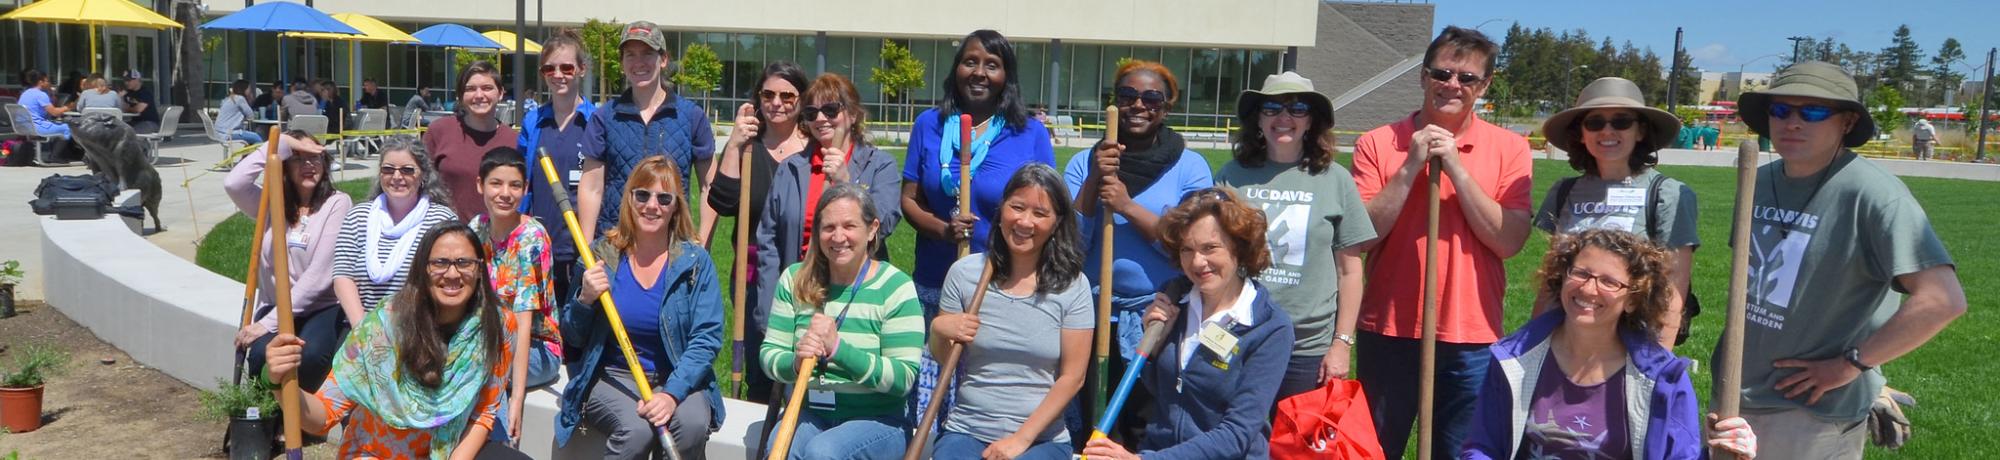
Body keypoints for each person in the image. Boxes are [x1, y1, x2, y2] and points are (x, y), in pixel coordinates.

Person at [1727, 61, 1965, 458]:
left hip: (1812, 412)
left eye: (1813, 111)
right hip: (1737, 391)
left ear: (1847, 121)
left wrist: (1853, 365)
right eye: (1780, 110)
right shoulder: (1760, 179)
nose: (1793, 122)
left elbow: (1943, 299)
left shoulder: (1875, 195)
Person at [1348, 26, 1534, 458]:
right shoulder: (1376, 143)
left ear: (1484, 86)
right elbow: (1363, 236)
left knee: (1461, 451)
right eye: (1442, 73)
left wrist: (1455, 167)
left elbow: (1508, 240)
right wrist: (1411, 165)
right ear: (1423, 76)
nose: (1452, 85)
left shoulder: (1510, 148)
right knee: (1376, 448)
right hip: (1388, 328)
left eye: (1467, 78)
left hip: (1470, 333)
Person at [1461, 229, 1759, 459]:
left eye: (1609, 282)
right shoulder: (1515, 362)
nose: (1589, 289)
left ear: (1632, 300)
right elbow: (1483, 445)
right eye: (1580, 273)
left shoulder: (1662, 381)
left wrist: (1727, 451)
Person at [263, 224, 529, 459]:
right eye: (440, 263)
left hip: (448, 450)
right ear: (422, 270)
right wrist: (277, 381)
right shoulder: (384, 327)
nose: (452, 273)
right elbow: (321, 417)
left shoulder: (497, 324)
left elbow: (484, 412)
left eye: (463, 262)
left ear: (479, 269)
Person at [1081, 187, 1295, 460]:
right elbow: (1165, 393)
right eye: (1187, 249)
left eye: (1210, 248)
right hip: (1159, 449)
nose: (1197, 262)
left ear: (1239, 247)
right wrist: (1154, 346)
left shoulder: (1270, 327)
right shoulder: (1174, 301)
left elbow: (1238, 433)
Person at [1062, 60, 1212, 437]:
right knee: (1091, 418)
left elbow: (1190, 247)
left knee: (1144, 422)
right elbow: (1069, 247)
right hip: (1092, 314)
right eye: (1127, 96)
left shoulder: (1190, 167)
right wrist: (1095, 180)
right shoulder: (1085, 163)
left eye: (1151, 99)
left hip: (1159, 316)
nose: (1138, 105)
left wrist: (1128, 206)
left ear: (1167, 108)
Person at [1215, 71, 1376, 400]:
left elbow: (1350, 271)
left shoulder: (1335, 179)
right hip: (1240, 335)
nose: (1284, 118)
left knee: (1294, 446)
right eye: (1272, 108)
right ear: (1258, 119)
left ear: (1311, 121)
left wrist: (1341, 344)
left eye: (1297, 108)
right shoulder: (1231, 176)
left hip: (1306, 346)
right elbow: (1214, 255)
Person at [555, 157, 723, 459]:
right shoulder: (600, 256)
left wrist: (672, 394)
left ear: (675, 206)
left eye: (664, 198)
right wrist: (585, 300)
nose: (651, 205)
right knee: (637, 431)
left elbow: (707, 338)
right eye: (642, 195)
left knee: (693, 424)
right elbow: (572, 336)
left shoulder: (695, 262)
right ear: (629, 198)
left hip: (675, 372)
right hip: (612, 374)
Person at [751, 71, 904, 397]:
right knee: (794, 393)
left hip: (855, 295)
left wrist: (846, 182)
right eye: (811, 113)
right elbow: (768, 241)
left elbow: (886, 223)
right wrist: (768, 309)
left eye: (830, 110)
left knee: (844, 383)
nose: (820, 119)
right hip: (803, 293)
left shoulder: (880, 166)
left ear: (852, 114)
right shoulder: (793, 168)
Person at [927, 164, 1092, 460]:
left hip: (1041, 439)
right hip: (967, 429)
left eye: (1040, 214)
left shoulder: (1072, 286)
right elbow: (946, 359)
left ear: (1057, 223)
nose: (1024, 222)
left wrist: (1019, 441)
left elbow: (1073, 377)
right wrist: (938, 330)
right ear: (1002, 209)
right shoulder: (965, 274)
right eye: (1016, 207)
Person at [761, 184, 924, 460]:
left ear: (872, 229)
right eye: (828, 228)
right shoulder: (795, 280)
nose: (838, 237)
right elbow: (768, 355)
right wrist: (796, 362)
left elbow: (902, 378)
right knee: (782, 447)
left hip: (880, 419)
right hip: (813, 411)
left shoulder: (896, 287)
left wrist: (838, 349)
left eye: (849, 226)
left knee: (822, 453)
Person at [1535, 77, 1699, 350]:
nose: (1607, 131)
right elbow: (1551, 284)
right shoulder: (1564, 191)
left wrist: (1657, 365)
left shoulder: (1668, 194)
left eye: (1621, 121)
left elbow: (1673, 292)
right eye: (1595, 122)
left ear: (1641, 131)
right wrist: (1535, 345)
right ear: (1581, 133)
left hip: (1632, 344)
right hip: (1567, 342)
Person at [901, 29, 1056, 312]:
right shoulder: (928, 124)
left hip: (1005, 284)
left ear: (1007, 76)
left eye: (992, 65)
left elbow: (1049, 209)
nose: (979, 72)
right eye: (970, 62)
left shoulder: (1029, 132)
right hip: (936, 281)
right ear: (956, 68)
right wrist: (944, 230)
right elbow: (910, 200)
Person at [705, 61, 821, 403]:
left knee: (805, 358)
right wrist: (734, 144)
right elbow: (723, 201)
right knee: (762, 363)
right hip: (754, 272)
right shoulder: (749, 147)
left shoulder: (814, 147)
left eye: (788, 95)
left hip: (807, 270)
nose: (777, 102)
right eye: (768, 94)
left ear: (801, 100)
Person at [225, 132, 355, 392]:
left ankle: (299, 426)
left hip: (321, 307)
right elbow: (234, 183)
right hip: (275, 305)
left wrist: (266, 324)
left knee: (308, 357)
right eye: (298, 159)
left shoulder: (337, 203)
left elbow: (319, 276)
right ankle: (268, 419)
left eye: (315, 159)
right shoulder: (273, 203)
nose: (309, 166)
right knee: (262, 355)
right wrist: (284, 142)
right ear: (284, 165)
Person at [577, 21, 716, 247]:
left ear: (663, 59)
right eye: (630, 55)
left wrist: (703, 242)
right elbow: (592, 186)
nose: (639, 62)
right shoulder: (604, 118)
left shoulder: (691, 117)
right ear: (622, 62)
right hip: (617, 242)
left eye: (647, 53)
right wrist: (586, 250)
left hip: (673, 246)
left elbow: (709, 185)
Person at [467, 147, 560, 445]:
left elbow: (522, 321)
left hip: (536, 348)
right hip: (487, 341)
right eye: (496, 183)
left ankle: (502, 443)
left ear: (525, 189)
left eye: (515, 185)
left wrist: (517, 398)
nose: (505, 193)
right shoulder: (476, 229)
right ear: (480, 184)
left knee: (485, 365)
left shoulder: (532, 238)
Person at [519, 28, 602, 319]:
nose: (559, 74)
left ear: (581, 69)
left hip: (581, 246)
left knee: (577, 330)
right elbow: (523, 180)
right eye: (549, 68)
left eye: (567, 67)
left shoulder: (595, 121)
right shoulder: (533, 121)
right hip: (539, 245)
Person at [332, 140, 461, 325]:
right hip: (360, 324)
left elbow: (447, 277)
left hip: (418, 326)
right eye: (388, 169)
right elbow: (342, 275)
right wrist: (362, 330)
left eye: (407, 170)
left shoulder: (441, 220)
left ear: (423, 175)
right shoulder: (358, 216)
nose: (397, 176)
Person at [428, 61, 522, 220]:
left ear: (500, 93)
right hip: (447, 236)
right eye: (470, 89)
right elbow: (419, 182)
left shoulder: (515, 141)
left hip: (498, 239)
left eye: (487, 88)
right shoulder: (439, 131)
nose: (479, 95)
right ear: (460, 96)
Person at [15, 70, 72, 141]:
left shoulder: (25, 93)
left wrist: (50, 92)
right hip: (36, 127)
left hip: (23, 127)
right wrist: (68, 107)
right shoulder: (41, 95)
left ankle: (51, 150)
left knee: (56, 126)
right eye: (47, 81)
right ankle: (57, 152)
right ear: (40, 82)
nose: (49, 83)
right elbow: (55, 113)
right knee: (68, 127)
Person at [216, 79, 265, 144]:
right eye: (249, 88)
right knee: (257, 137)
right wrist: (250, 99)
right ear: (243, 89)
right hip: (228, 133)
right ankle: (260, 154)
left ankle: (249, 154)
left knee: (250, 137)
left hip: (220, 132)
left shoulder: (229, 98)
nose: (250, 91)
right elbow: (251, 116)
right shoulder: (240, 99)